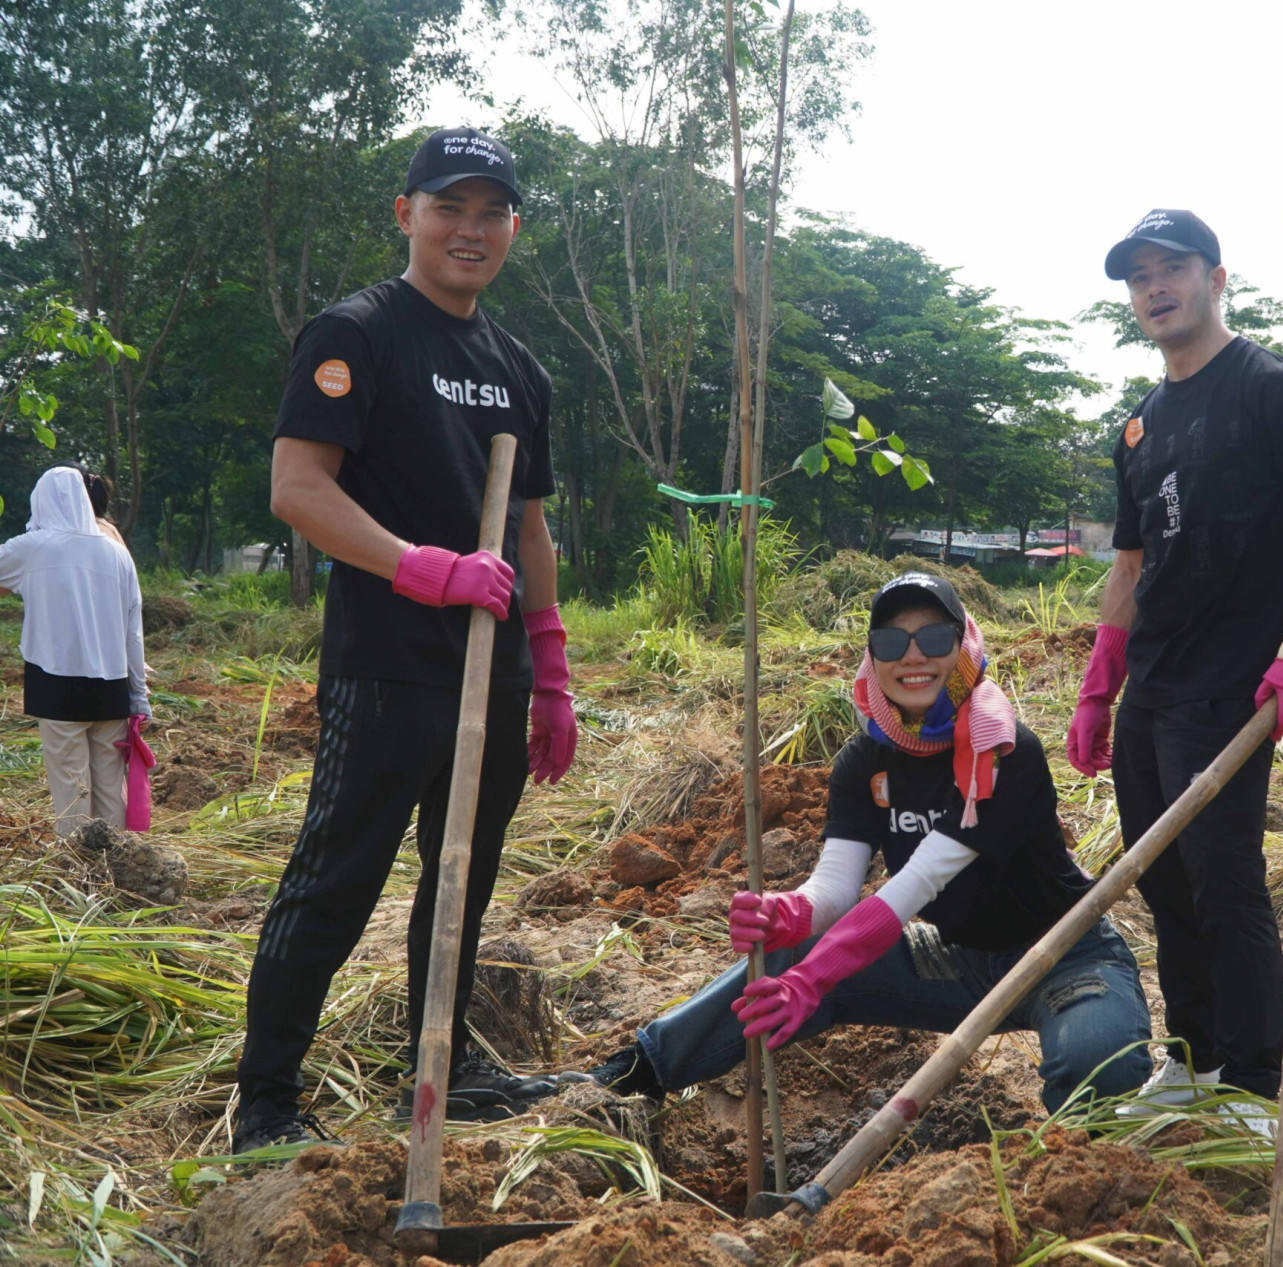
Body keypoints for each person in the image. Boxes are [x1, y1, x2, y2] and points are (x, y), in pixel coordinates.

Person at [233, 127, 579, 1154]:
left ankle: (440, 1064)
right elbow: (298, 491)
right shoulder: (357, 334)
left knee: (461, 878)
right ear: (407, 215)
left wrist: (550, 666)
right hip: (389, 666)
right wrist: (425, 568)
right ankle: (267, 1100)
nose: (469, 230)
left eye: (490, 212)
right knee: (335, 879)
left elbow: (527, 527)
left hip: (493, 670)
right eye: (449, 208)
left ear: (512, 227)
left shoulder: (518, 367)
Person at [587, 573, 1153, 1119]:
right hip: (955, 960)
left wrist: (815, 979)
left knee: (1095, 1065)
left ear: (963, 647)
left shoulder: (1001, 749)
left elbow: (916, 884)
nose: (913, 656)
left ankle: (1074, 1161)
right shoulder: (864, 761)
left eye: (933, 638)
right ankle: (637, 1074)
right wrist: (786, 912)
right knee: (792, 952)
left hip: (1061, 955)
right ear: (872, 656)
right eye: (891, 640)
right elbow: (833, 890)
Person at [1065, 211, 1283, 1134]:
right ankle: (1191, 1058)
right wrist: (1100, 675)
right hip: (1154, 682)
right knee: (1159, 876)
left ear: (1217, 277)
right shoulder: (1139, 428)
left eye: (1174, 269)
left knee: (1223, 880)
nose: (1156, 288)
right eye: (1140, 276)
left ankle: (1256, 1083)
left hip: (1234, 684)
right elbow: (1129, 563)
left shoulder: (1276, 393)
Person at [0, 466, 148, 836]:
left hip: (55, 684)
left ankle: (76, 868)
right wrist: (139, 695)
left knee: (71, 784)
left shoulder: (32, 547)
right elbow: (134, 632)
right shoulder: (117, 553)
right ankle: (118, 861)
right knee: (111, 786)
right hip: (112, 687)